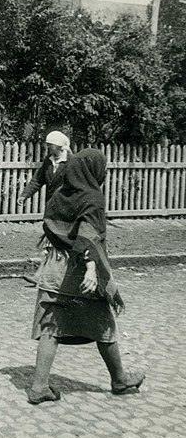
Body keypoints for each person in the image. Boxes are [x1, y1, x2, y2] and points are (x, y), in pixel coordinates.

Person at [27, 149, 144, 404]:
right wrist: (92, 268)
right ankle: (120, 379)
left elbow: (51, 226)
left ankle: (39, 387)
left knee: (51, 326)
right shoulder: (93, 197)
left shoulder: (60, 194)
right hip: (79, 273)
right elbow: (88, 234)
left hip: (54, 268)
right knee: (104, 323)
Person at [17, 130, 72, 206]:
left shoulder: (71, 161)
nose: (48, 147)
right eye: (48, 144)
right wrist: (25, 195)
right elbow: (37, 180)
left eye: (50, 145)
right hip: (51, 203)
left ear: (58, 145)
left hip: (67, 204)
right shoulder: (48, 160)